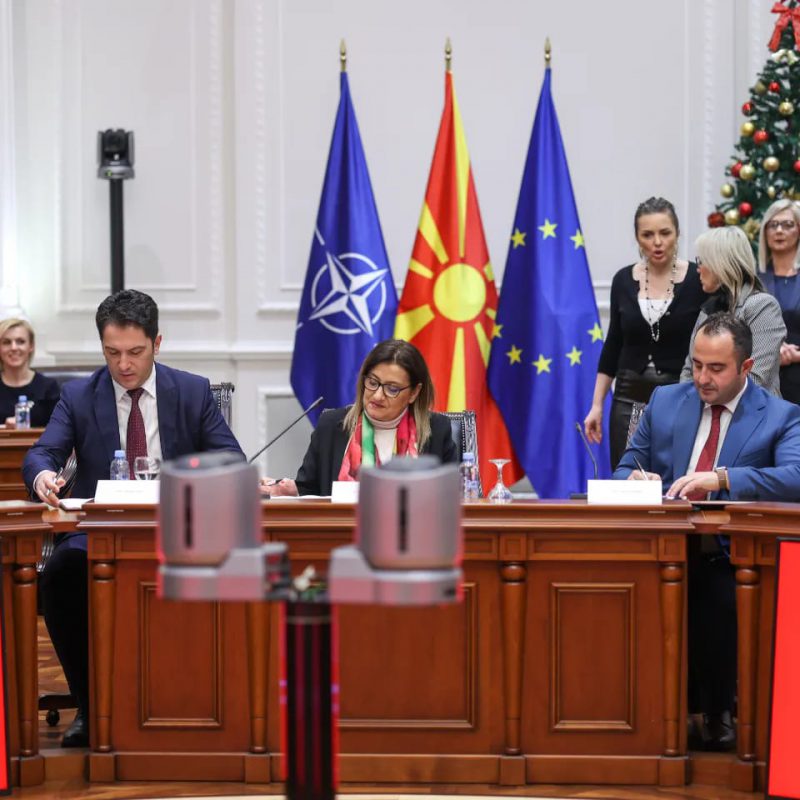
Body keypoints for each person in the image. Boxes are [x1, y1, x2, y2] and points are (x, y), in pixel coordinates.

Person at [23, 289, 244, 748]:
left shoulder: (191, 391)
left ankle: (204, 700)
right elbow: (43, 452)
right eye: (112, 353)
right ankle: (91, 703)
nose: (123, 364)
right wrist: (43, 475)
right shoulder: (79, 395)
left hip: (181, 528)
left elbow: (230, 459)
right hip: (102, 531)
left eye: (135, 352)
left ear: (157, 343)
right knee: (61, 573)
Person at [615, 313, 800, 750]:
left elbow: (795, 477)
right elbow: (624, 467)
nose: (702, 378)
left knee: (714, 593)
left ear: (746, 367)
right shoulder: (665, 400)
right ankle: (639, 712)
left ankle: (715, 710)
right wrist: (635, 478)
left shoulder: (780, 415)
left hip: (729, 553)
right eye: (697, 364)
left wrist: (722, 478)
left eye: (716, 368)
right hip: (660, 546)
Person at [584, 197, 704, 469]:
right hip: (628, 399)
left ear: (677, 233)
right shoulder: (623, 280)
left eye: (665, 233)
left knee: (676, 477)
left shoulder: (698, 279)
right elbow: (613, 344)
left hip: (682, 397)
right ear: (637, 238)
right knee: (629, 477)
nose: (657, 242)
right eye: (647, 235)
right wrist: (597, 405)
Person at [262, 339, 458, 497]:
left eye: (392, 389)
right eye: (373, 382)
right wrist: (290, 490)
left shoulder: (437, 430)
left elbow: (454, 497)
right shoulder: (332, 426)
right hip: (342, 531)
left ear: (414, 393)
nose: (377, 395)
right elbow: (310, 489)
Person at [680, 225, 785, 395]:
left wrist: (707, 398)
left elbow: (756, 379)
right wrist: (692, 403)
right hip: (705, 408)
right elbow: (688, 370)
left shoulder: (762, 306)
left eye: (701, 261)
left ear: (720, 264)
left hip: (752, 411)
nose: (698, 268)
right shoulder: (708, 309)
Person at [758, 199, 800, 403]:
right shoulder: (754, 279)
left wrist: (795, 355)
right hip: (764, 381)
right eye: (773, 225)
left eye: (787, 224)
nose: (779, 230)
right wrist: (774, 351)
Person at [0, 318, 60, 427]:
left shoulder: (49, 388)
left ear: (31, 346)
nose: (14, 347)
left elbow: (60, 429)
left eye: (20, 342)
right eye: (6, 342)